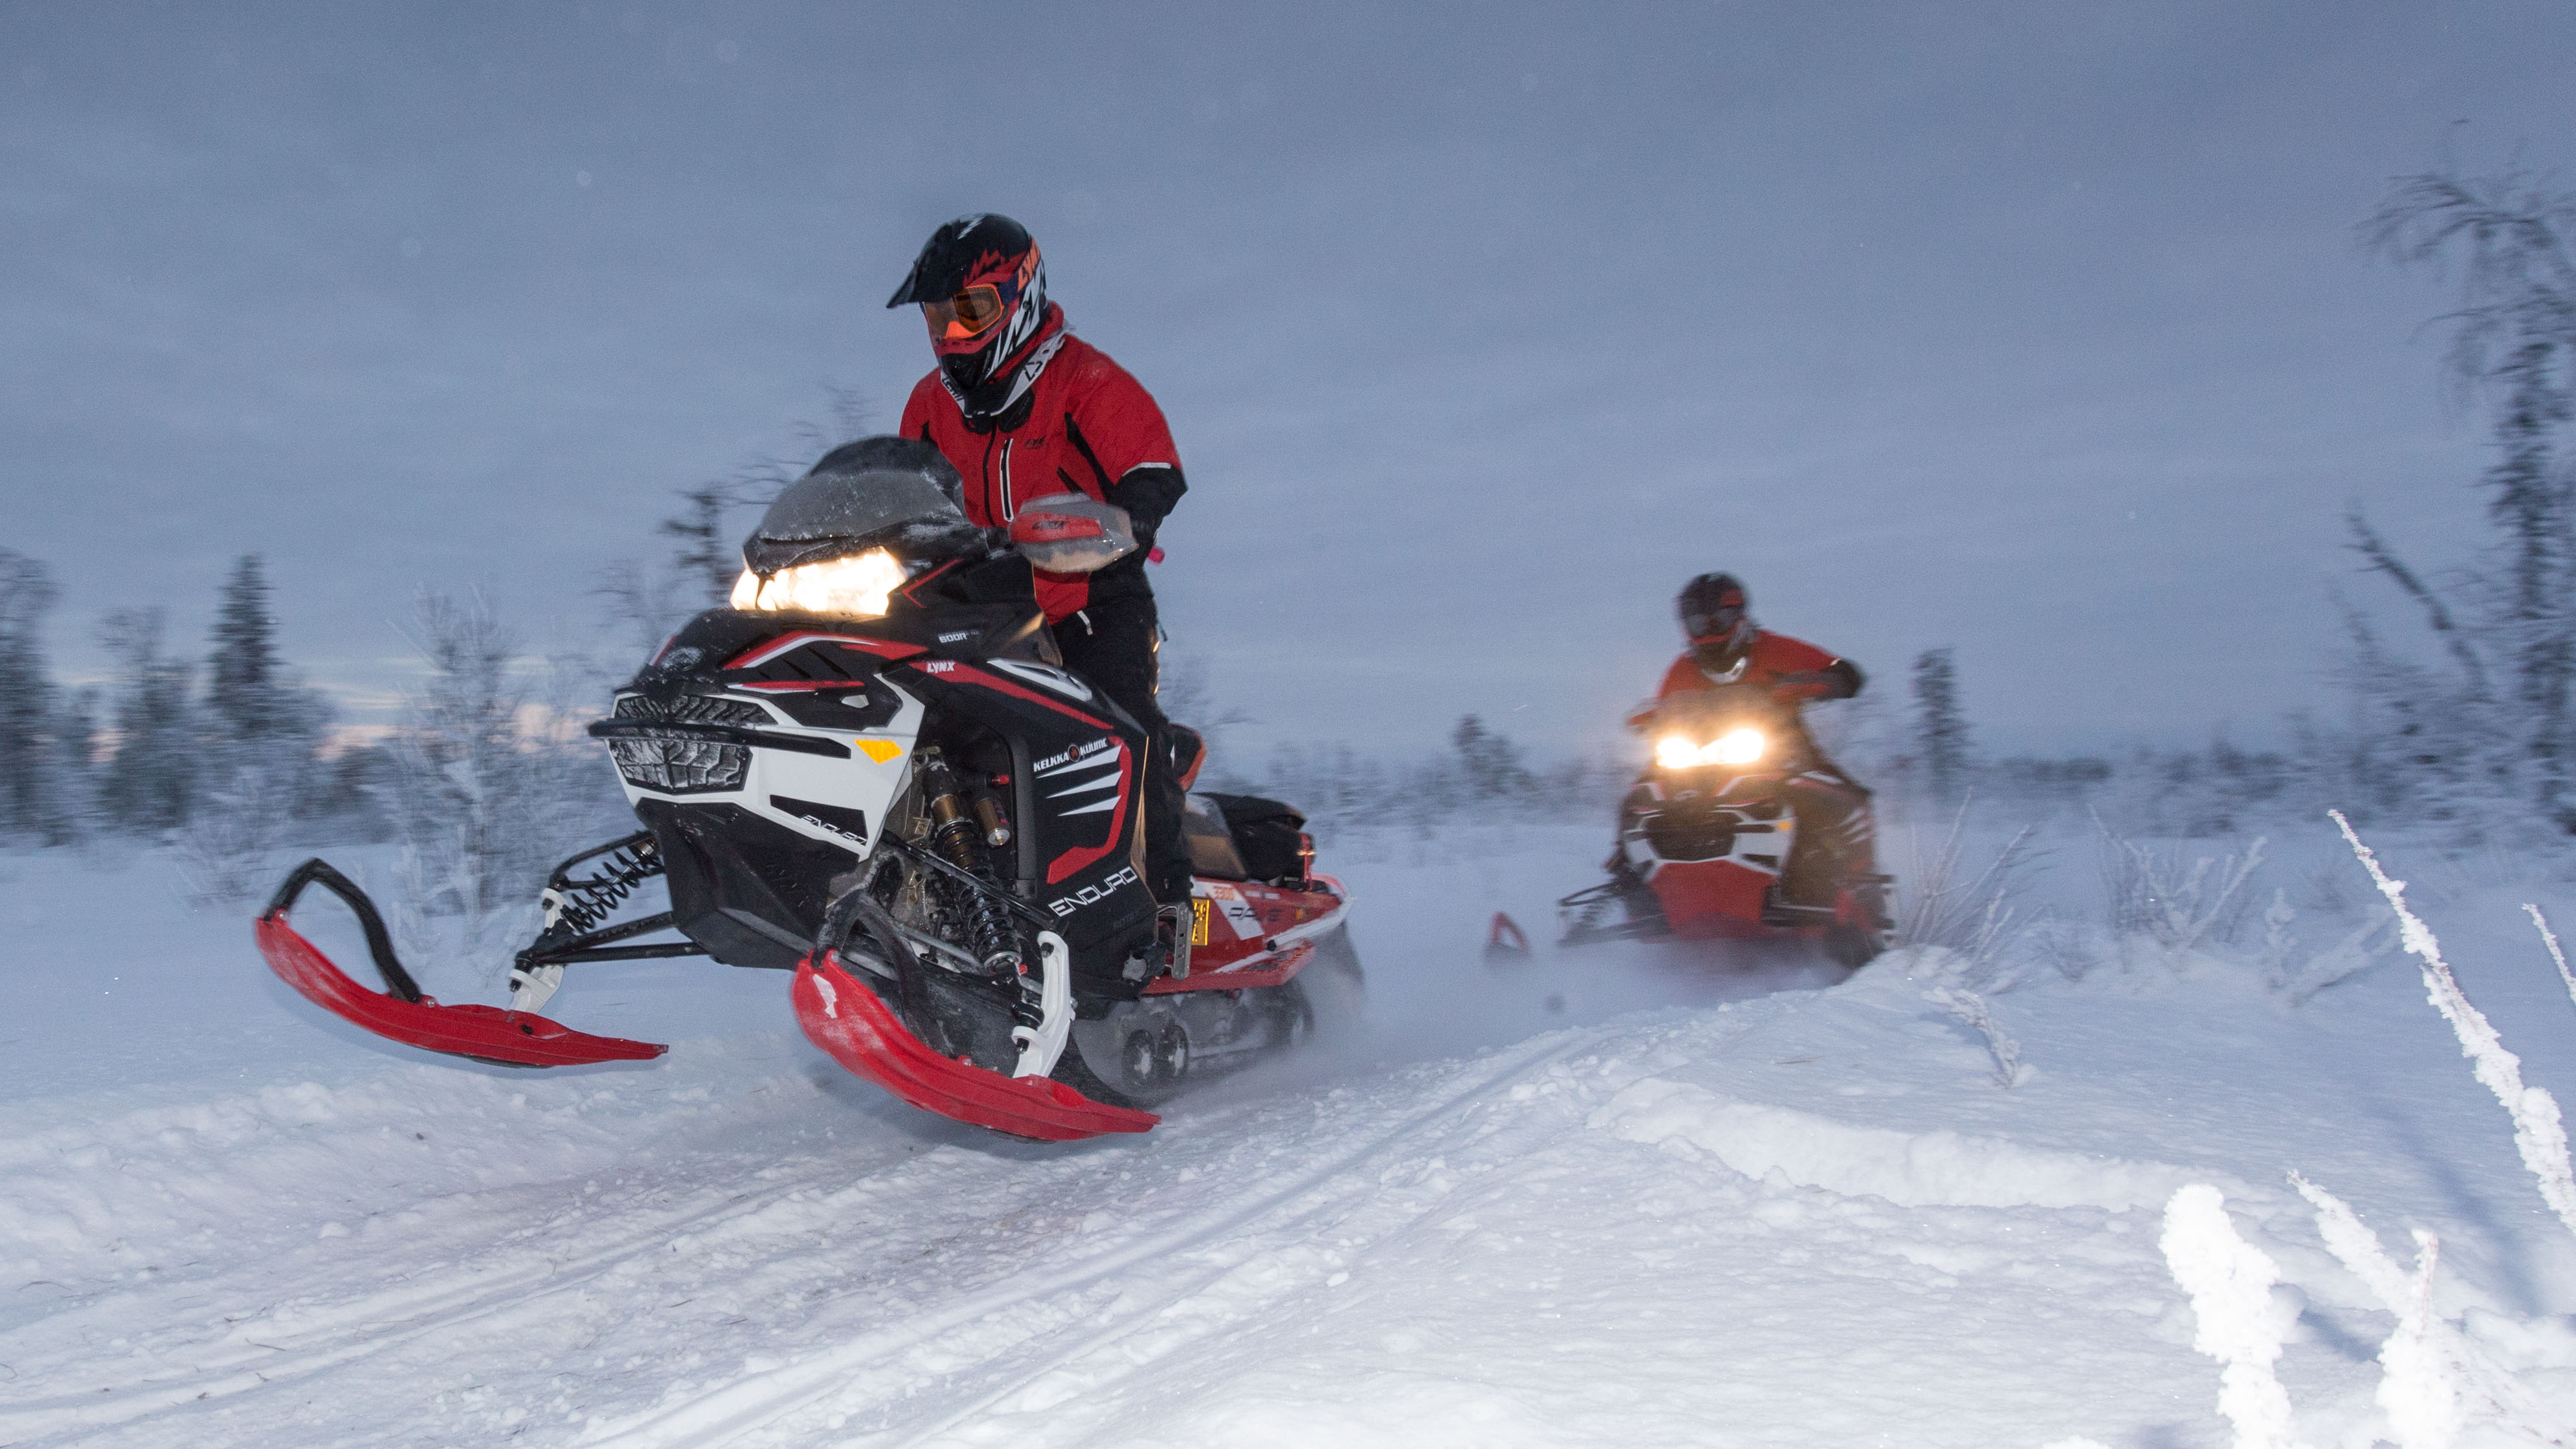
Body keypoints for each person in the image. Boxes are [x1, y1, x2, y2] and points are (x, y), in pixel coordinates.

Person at [888, 213, 1196, 912]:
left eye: (971, 311)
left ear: (1021, 295)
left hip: (1088, 596)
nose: (951, 335)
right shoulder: (929, 405)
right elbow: (904, 494)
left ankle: (1168, 911)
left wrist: (1129, 518)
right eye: (939, 316)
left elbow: (1151, 465)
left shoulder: (1082, 378)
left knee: (1128, 730)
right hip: (973, 605)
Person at [1629, 572, 1874, 908]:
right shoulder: (1682, 670)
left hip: (1778, 746)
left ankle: (1852, 880)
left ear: (1738, 614)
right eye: (1700, 622)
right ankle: (1629, 876)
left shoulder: (1776, 650)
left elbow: (1844, 671)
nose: (1709, 630)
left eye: (1718, 619)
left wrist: (1823, 681)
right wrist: (1652, 717)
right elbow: (1665, 709)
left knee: (1833, 792)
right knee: (1640, 793)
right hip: (1696, 760)